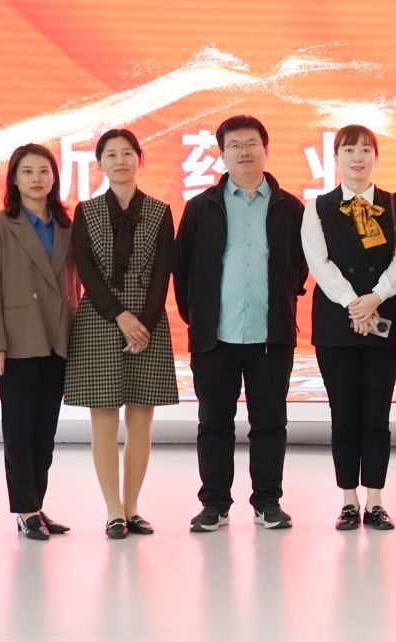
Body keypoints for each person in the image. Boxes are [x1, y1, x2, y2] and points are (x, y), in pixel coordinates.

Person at [174, 115, 308, 533]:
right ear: (222, 154)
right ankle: (214, 504)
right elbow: (183, 269)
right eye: (234, 145)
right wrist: (199, 319)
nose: (244, 151)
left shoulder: (291, 208)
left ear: (266, 150)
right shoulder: (201, 208)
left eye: (251, 143)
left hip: (271, 335)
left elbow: (300, 267)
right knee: (214, 423)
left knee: (270, 423)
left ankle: (268, 501)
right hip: (216, 336)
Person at [64, 129, 179, 540]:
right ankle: (113, 510)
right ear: (100, 164)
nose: (120, 161)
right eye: (111, 155)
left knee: (141, 422)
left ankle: (132, 508)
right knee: (104, 421)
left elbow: (163, 271)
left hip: (148, 324)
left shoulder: (160, 210)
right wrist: (120, 316)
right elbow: (86, 271)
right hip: (100, 320)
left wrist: (143, 321)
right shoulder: (87, 210)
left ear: (139, 160)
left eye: (127, 153)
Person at [302, 124, 396, 532]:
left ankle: (376, 500)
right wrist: (353, 302)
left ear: (376, 157)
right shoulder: (318, 207)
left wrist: (374, 298)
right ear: (335, 158)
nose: (358, 157)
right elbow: (318, 262)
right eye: (349, 150)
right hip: (337, 322)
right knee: (344, 413)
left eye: (366, 150)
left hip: (382, 320)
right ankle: (348, 500)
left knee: (377, 414)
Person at [0, 144, 78, 541]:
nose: (37, 178)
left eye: (44, 171)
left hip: (57, 339)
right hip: (17, 341)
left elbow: (73, 285)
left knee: (45, 433)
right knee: (19, 432)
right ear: (14, 180)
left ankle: (35, 504)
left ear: (54, 178)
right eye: (27, 171)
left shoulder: (67, 226)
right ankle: (25, 509)